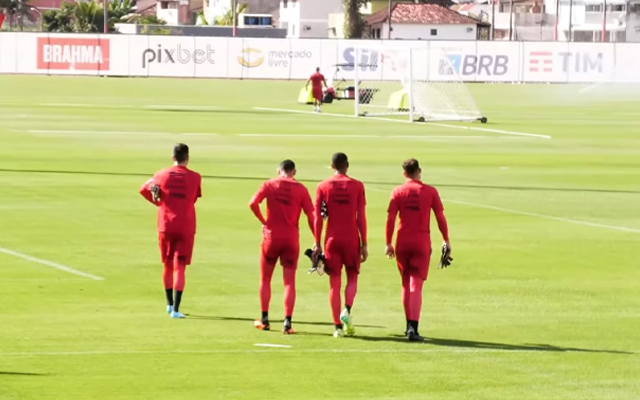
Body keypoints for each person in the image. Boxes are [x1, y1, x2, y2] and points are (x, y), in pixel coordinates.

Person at [385, 158, 450, 341]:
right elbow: (440, 218)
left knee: (406, 283)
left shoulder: (398, 191)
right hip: (421, 240)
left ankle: (408, 326)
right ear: (419, 171)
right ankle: (413, 327)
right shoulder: (430, 192)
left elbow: (390, 219)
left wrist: (388, 242)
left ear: (404, 173)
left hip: (403, 240)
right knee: (416, 285)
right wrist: (446, 240)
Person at [249, 159, 314, 334]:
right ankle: (287, 323)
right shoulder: (301, 189)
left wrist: (264, 221)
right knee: (289, 282)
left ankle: (264, 319)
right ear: (294, 172)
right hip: (291, 239)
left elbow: (252, 203)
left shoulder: (269, 184)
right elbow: (311, 215)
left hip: (271, 238)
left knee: (265, 279)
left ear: (279, 170)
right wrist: (317, 240)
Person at [139, 143, 202, 319]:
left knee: (167, 264)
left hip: (165, 224)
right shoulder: (196, 177)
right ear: (187, 158)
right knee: (180, 267)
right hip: (186, 226)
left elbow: (144, 189)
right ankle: (176, 308)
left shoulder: (161, 174)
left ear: (172, 157)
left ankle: (168, 304)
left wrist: (160, 203)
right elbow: (193, 198)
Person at [312, 152, 367, 338]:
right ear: (347, 165)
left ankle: (336, 326)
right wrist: (364, 243)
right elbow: (361, 218)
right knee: (352, 277)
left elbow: (318, 218)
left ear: (332, 165)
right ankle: (347, 309)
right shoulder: (357, 186)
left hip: (332, 239)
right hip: (351, 238)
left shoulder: (322, 186)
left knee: (334, 282)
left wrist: (317, 242)